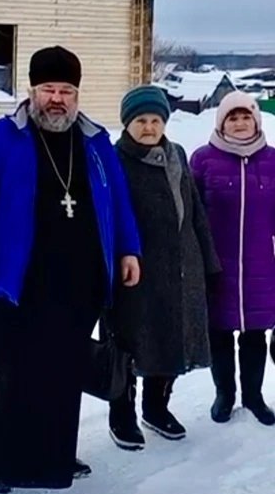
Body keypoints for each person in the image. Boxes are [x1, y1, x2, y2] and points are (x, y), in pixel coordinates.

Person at [0, 45, 141, 494]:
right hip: (20, 281)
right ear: (32, 90)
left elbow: (117, 199)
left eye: (67, 90)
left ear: (77, 94)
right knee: (11, 372)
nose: (57, 98)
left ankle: (52, 455)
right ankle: (1, 463)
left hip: (80, 281)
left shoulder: (94, 141)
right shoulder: (1, 137)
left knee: (62, 372)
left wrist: (128, 249)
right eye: (48, 89)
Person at [108, 85, 221, 451]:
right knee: (126, 344)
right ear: (127, 123)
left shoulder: (176, 155)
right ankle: (121, 416)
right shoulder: (114, 160)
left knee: (171, 338)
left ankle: (156, 408)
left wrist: (208, 262)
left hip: (181, 266)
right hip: (134, 269)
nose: (149, 126)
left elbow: (196, 213)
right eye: (141, 120)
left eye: (156, 120)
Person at [190, 91, 275, 426]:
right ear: (221, 122)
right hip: (216, 264)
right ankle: (224, 394)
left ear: (256, 120)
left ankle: (254, 397)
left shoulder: (272, 161)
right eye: (232, 117)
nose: (240, 123)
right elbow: (192, 213)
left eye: (246, 117)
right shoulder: (202, 160)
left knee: (255, 333)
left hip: (261, 265)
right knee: (219, 332)